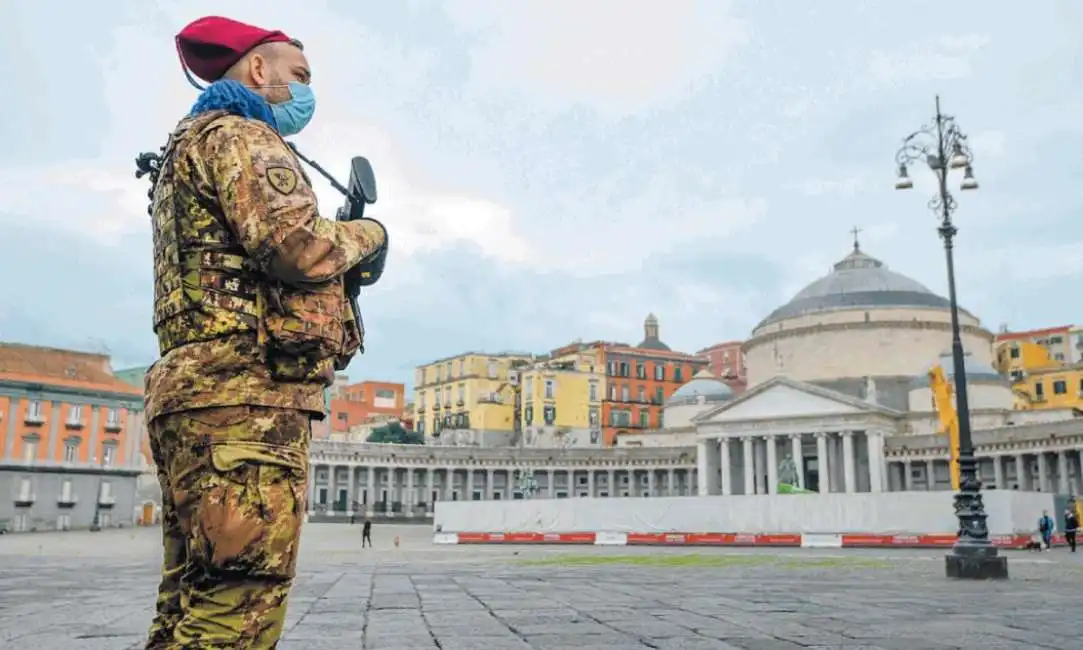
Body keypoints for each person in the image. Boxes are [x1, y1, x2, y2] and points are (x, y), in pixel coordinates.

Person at [143, 15, 388, 649]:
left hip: (196, 397)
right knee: (237, 604)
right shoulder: (240, 138)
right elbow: (297, 246)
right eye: (299, 75)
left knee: (192, 598)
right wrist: (370, 237)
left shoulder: (187, 147)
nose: (307, 90)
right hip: (242, 403)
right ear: (258, 70)